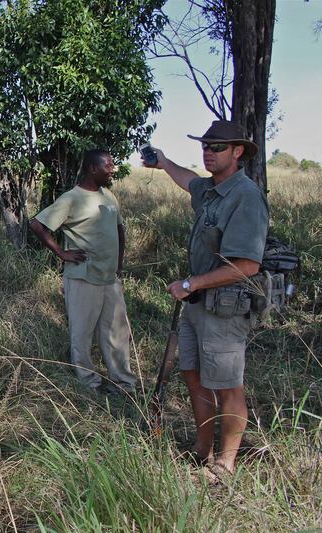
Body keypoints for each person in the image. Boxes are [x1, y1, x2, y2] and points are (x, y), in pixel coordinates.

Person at [144, 120, 268, 475]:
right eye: (205, 147)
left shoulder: (245, 196)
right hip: (197, 303)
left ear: (238, 151)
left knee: (228, 385)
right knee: (192, 374)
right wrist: (165, 163)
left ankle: (226, 463)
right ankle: (203, 448)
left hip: (224, 307)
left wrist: (190, 283)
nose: (208, 153)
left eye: (217, 147)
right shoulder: (212, 189)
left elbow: (246, 264)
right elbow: (189, 181)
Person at [30, 149, 138, 395]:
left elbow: (119, 230)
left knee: (117, 333)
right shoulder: (71, 198)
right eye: (108, 166)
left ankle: (124, 384)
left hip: (110, 278)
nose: (113, 170)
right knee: (82, 333)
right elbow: (37, 225)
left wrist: (118, 264)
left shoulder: (109, 196)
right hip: (83, 277)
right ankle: (89, 383)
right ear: (92, 168)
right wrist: (62, 253)